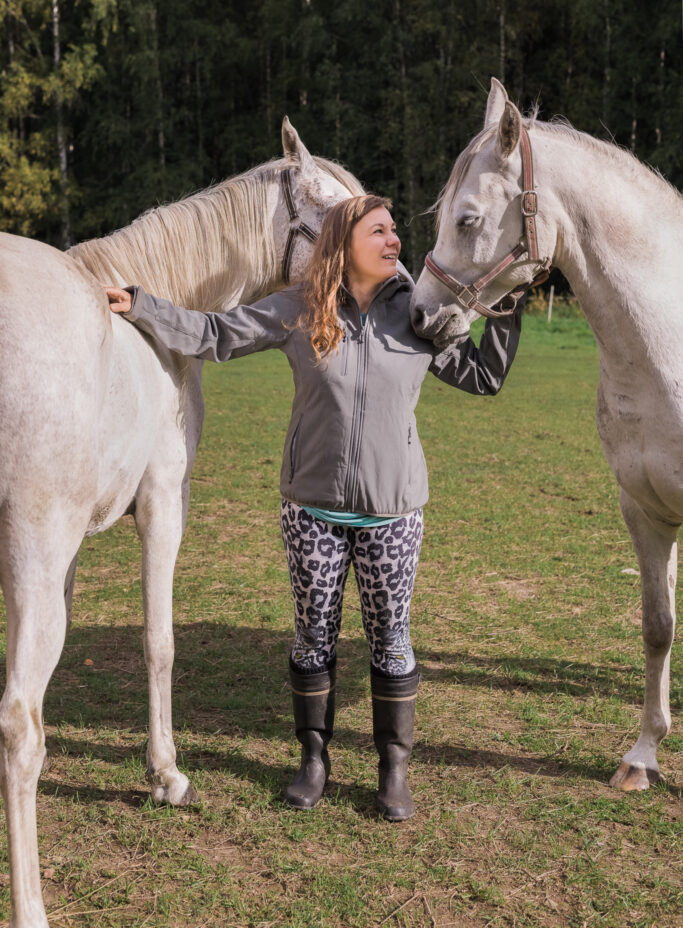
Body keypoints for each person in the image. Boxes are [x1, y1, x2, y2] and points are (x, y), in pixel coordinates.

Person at [104, 194, 525, 821]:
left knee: (392, 643)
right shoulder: (299, 309)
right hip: (312, 512)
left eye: (392, 233)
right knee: (312, 640)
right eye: (379, 231)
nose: (394, 242)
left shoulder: (416, 311)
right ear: (343, 241)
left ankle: (393, 769)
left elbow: (484, 376)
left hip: (393, 513)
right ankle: (313, 761)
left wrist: (508, 301)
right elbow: (217, 335)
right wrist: (143, 305)